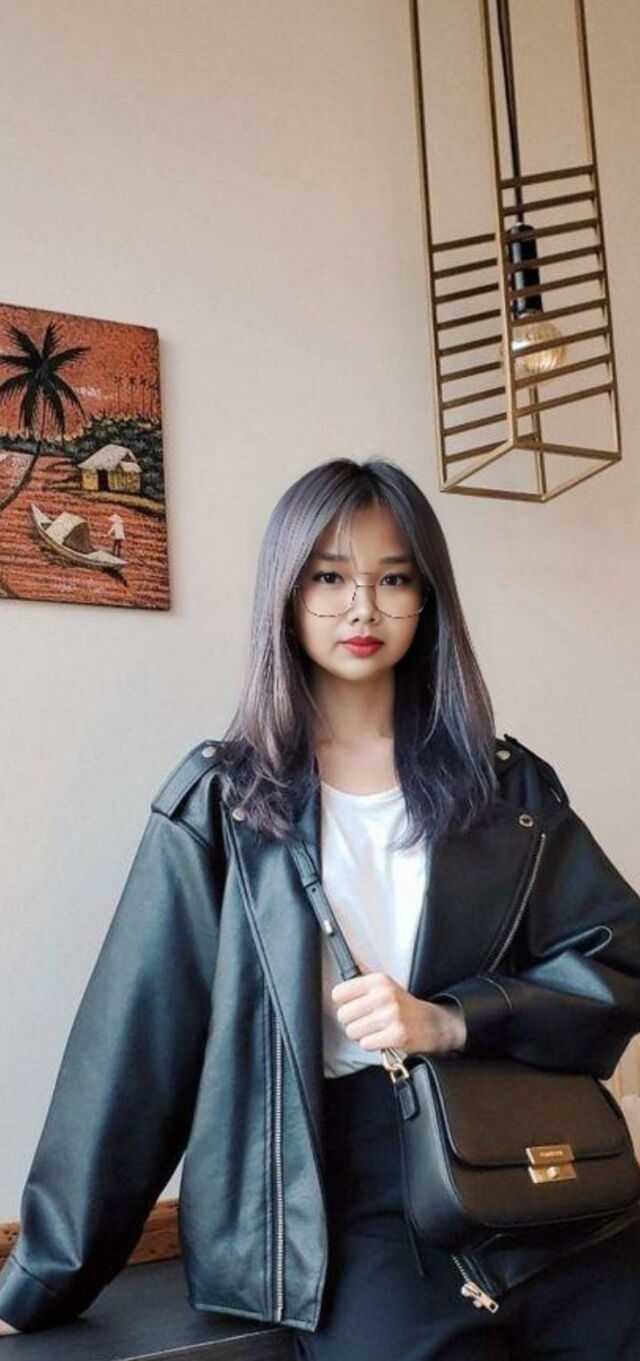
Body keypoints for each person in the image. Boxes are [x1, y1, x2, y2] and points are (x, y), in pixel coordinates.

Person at [1, 456, 640, 1358]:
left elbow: (618, 958)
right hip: (344, 1207)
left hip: (535, 1178)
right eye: (330, 578)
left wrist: (453, 1019)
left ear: (429, 598)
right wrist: (40, 1281)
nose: (362, 608)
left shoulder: (505, 786)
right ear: (287, 594)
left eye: (394, 579)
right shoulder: (225, 803)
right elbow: (136, 1051)